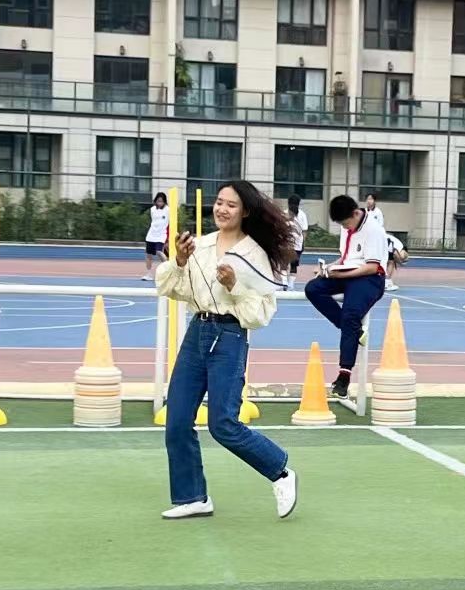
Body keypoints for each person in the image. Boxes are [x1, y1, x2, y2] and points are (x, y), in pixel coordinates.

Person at [155, 180, 299, 520]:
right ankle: (192, 497)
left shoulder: (255, 255)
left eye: (231, 205)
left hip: (230, 336)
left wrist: (234, 286)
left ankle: (281, 472)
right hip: (197, 331)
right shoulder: (201, 246)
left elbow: (260, 314)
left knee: (223, 424)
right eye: (219, 202)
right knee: (177, 419)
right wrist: (179, 260)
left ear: (245, 211)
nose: (222, 209)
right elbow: (172, 288)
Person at [305, 195, 387, 398]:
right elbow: (346, 258)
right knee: (312, 289)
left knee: (351, 315)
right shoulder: (346, 227)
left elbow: (372, 267)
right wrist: (328, 269)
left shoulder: (374, 230)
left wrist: (340, 274)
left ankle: (344, 376)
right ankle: (355, 331)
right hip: (347, 272)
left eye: (345, 223)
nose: (344, 227)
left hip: (370, 278)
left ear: (355, 213)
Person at [142, 192, 169, 281]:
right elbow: (153, 222)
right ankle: (149, 274)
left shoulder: (168, 210)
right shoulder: (152, 209)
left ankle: (168, 270)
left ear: (164, 202)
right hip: (151, 235)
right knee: (148, 255)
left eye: (161, 201)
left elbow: (169, 223)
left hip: (161, 235)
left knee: (159, 252)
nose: (160, 203)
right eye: (158, 201)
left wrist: (168, 238)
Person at [286, 194, 309, 291]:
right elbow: (305, 231)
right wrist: (303, 242)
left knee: (286, 264)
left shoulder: (285, 213)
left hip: (291, 244)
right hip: (292, 244)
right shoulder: (301, 215)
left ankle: (286, 284)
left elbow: (304, 231)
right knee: (291, 264)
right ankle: (288, 285)